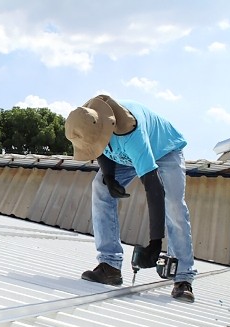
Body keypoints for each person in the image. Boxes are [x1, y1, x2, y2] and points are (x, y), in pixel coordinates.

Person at [64, 95, 196, 302]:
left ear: (105, 130)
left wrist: (155, 243)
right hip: (124, 155)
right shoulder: (91, 121)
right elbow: (99, 149)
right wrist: (108, 176)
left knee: (174, 206)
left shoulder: (131, 133)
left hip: (164, 150)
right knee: (100, 187)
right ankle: (110, 266)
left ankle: (183, 278)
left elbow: (154, 190)